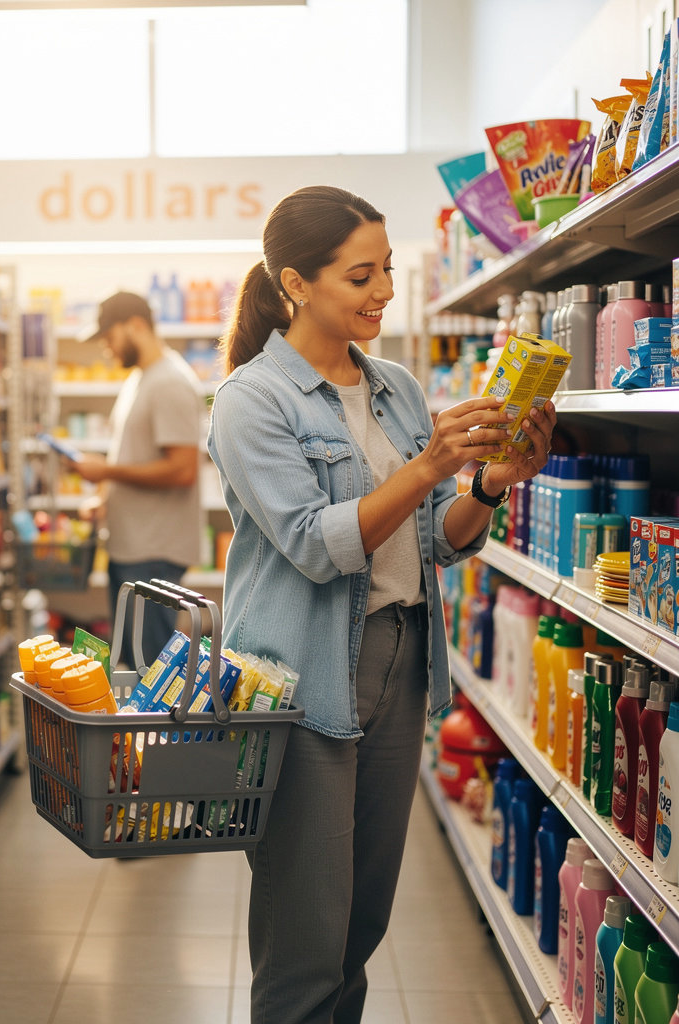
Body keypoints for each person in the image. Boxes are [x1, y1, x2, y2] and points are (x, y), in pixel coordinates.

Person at [206, 185, 557, 1024]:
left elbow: (436, 536)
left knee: (361, 920)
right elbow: (317, 544)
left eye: (388, 270)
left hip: (399, 662)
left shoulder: (395, 386)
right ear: (296, 283)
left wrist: (488, 483)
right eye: (361, 276)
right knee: (305, 931)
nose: (385, 292)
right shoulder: (253, 400)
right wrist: (431, 467)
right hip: (302, 676)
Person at [75, 291, 206, 666]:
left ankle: (152, 731)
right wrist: (106, 496)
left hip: (153, 554)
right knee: (133, 668)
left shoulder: (170, 382)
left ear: (136, 326)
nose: (105, 348)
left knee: (149, 671)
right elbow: (138, 455)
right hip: (134, 548)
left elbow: (182, 470)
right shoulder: (142, 379)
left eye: (109, 337)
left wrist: (107, 472)